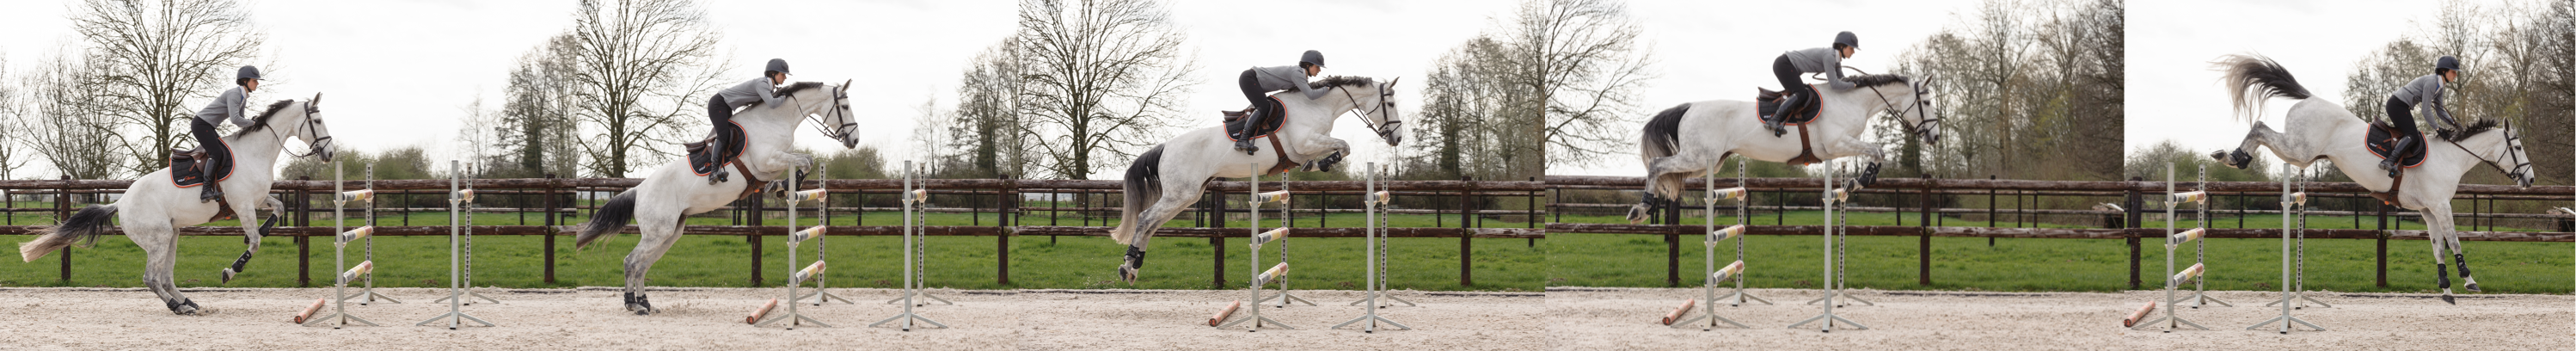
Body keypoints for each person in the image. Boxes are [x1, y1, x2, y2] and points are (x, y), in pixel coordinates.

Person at [705, 58, 792, 183]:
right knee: (723, 135)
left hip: (726, 107)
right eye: (783, 74)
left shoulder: (768, 88)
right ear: (773, 74)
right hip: (718, 104)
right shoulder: (762, 84)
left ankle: (725, 166)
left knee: (731, 136)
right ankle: (713, 172)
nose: (785, 78)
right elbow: (772, 104)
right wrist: (785, 96)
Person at [1233, 50, 1331, 154]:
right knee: (1264, 106)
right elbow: (1311, 95)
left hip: (1251, 80)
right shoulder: (1297, 73)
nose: (1319, 70)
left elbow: (1307, 92)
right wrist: (1328, 88)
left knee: (1265, 106)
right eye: (1317, 66)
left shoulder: (1301, 77)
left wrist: (1324, 85)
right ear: (1308, 65)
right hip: (1249, 78)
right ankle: (1243, 139)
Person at [2381, 55, 2463, 177]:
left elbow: (2440, 110)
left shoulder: (2440, 86)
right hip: (2397, 105)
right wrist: (2438, 129)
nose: (2455, 75)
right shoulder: (2431, 82)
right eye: (2453, 72)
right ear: (2443, 71)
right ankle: (2389, 161)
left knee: (2409, 136)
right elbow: (2425, 110)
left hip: (2400, 106)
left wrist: (2455, 124)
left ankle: (2396, 164)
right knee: (2412, 135)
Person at [1766, 31, 1861, 137]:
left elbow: (1842, 80)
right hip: (1784, 64)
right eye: (1851, 48)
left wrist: (1857, 83)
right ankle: (1774, 120)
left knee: (1801, 93)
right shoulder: (1830, 56)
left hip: (1786, 65)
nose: (1853, 52)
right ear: (1842, 47)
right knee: (1801, 93)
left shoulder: (1835, 60)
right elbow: (1834, 84)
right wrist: (1853, 85)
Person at [189, 65, 261, 202]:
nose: (257, 83)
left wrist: (252, 123)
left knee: (222, 152)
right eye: (255, 80)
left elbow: (241, 122)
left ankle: (216, 186)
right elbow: (235, 120)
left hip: (207, 125)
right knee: (216, 152)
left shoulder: (243, 97)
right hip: (201, 124)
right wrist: (254, 123)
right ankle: (205, 191)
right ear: (245, 81)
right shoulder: (235, 94)